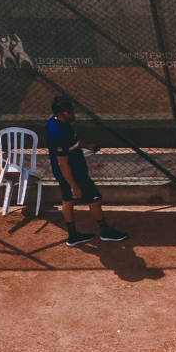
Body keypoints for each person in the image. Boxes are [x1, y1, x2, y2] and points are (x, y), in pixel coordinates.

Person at [42, 95, 126, 249]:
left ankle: (73, 236)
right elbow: (63, 162)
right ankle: (105, 231)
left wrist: (87, 146)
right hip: (73, 174)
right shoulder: (58, 133)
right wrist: (73, 185)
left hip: (67, 172)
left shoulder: (58, 122)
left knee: (67, 201)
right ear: (60, 113)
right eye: (69, 112)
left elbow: (72, 141)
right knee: (94, 199)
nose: (72, 113)